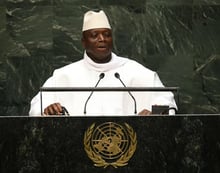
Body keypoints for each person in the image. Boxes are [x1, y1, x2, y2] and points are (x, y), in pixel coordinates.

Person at [29, 10, 177, 116]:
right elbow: (37, 107)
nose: (102, 39)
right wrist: (47, 110)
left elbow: (166, 102)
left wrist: (155, 114)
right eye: (94, 35)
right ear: (83, 42)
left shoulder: (135, 71)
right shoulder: (64, 76)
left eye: (107, 35)